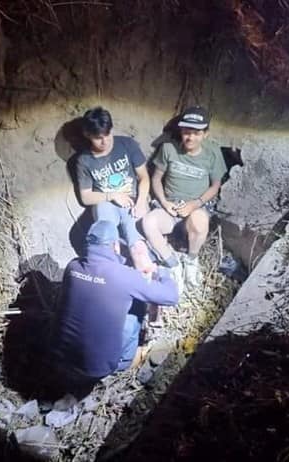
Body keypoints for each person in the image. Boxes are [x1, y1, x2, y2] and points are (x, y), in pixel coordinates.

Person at [50, 220, 178, 393]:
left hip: (60, 360)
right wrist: (162, 272)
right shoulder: (124, 276)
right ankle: (125, 361)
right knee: (136, 308)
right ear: (115, 246)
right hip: (97, 369)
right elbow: (171, 297)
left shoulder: (72, 267)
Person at [143, 106, 227, 291]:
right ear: (181, 131)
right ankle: (172, 264)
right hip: (170, 207)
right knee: (148, 223)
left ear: (205, 134)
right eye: (186, 132)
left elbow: (215, 185)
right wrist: (165, 203)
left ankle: (191, 260)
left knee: (200, 220)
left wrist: (195, 204)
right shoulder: (168, 149)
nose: (190, 138)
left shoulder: (212, 153)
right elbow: (156, 178)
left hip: (195, 207)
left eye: (196, 133)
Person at [75, 107, 153, 271]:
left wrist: (141, 202)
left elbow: (144, 177)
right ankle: (112, 279)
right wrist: (111, 195)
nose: (105, 142)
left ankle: (148, 281)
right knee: (108, 242)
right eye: (98, 138)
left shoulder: (127, 145)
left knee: (137, 246)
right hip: (106, 202)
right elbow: (86, 197)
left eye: (107, 135)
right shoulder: (84, 160)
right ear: (88, 135)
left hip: (132, 200)